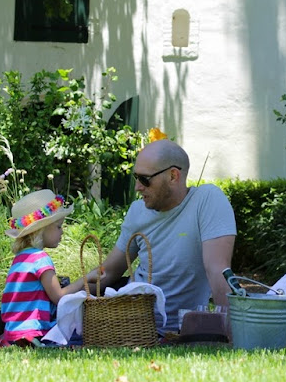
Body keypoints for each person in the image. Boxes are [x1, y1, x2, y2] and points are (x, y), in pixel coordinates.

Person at [66, 139, 237, 332]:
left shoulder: (206, 200)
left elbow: (218, 270)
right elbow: (111, 271)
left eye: (145, 179)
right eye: (136, 178)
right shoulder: (137, 211)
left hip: (182, 329)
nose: (138, 187)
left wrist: (231, 333)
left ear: (173, 176)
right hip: (133, 326)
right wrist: (62, 295)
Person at [1, 189, 77, 343]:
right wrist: (85, 280)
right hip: (34, 333)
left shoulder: (19, 259)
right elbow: (59, 297)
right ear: (41, 230)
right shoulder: (41, 259)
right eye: (58, 227)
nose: (62, 232)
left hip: (12, 334)